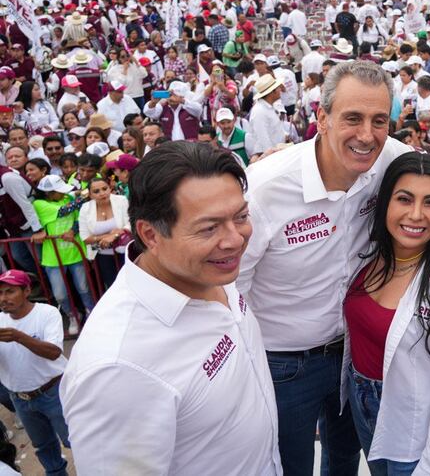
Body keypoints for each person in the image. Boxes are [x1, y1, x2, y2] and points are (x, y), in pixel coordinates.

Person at [60, 142, 282, 474]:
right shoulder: (117, 368)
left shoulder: (210, 268)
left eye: (241, 217)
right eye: (209, 227)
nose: (235, 239)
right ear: (150, 234)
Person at [237, 61, 410, 476]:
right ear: (322, 118)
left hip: (353, 353)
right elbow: (230, 286)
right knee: (288, 465)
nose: (367, 135)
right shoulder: (264, 188)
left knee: (345, 459)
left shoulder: (390, 159)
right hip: (282, 363)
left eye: (379, 121)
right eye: (352, 118)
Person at [343, 152, 430, 475]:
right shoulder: (367, 254)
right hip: (360, 405)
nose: (416, 215)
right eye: (404, 199)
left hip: (410, 427)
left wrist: (429, 468)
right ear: (385, 201)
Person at [0, 269, 71, 476]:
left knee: (75, 439)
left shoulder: (47, 313)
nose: (4, 298)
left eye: (10, 291)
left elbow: (53, 352)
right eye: (0, 293)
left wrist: (19, 337)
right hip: (20, 399)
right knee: (43, 446)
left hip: (54, 392)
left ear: (27, 291)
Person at [31, 175, 94, 334]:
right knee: (59, 294)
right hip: (53, 257)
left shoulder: (68, 197)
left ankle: (91, 312)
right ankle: (73, 315)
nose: (63, 194)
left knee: (83, 288)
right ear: (49, 193)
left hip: (75, 252)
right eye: (59, 191)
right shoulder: (39, 204)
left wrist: (73, 230)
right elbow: (64, 211)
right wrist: (84, 196)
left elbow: (80, 216)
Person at [78, 175, 130, 291]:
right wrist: (108, 236)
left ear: (110, 188)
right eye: (96, 191)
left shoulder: (121, 200)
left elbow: (130, 223)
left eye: (104, 188)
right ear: (90, 195)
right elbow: (85, 238)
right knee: (114, 289)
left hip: (126, 253)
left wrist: (115, 235)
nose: (102, 193)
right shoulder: (85, 209)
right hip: (102, 257)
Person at [246, 74, 287, 160]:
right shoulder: (259, 111)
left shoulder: (269, 107)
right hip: (271, 158)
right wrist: (272, 159)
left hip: (278, 153)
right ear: (272, 92)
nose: (280, 90)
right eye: (278, 88)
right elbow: (263, 140)